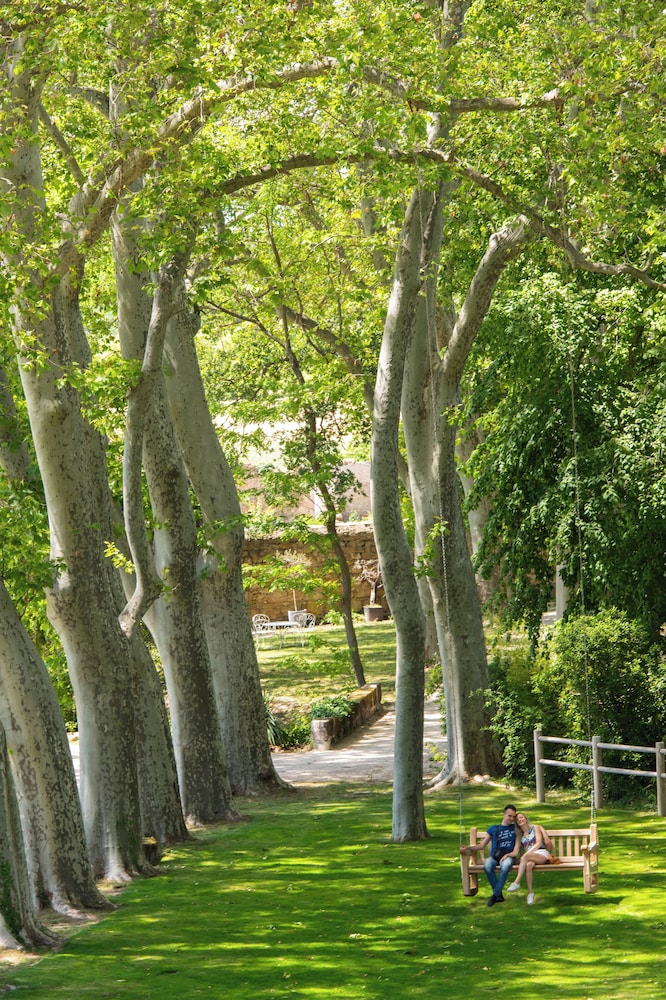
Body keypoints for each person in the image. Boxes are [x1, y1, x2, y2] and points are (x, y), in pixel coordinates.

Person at [460, 804, 519, 907]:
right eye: (509, 816)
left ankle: (495, 895)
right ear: (503, 815)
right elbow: (481, 846)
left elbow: (528, 827)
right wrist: (468, 848)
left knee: (505, 866)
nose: (512, 819)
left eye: (514, 817)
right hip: (495, 857)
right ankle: (498, 895)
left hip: (508, 856)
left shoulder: (515, 828)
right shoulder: (493, 829)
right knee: (487, 865)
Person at [506, 811, 553, 905]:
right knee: (528, 865)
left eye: (521, 817)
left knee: (525, 858)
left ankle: (517, 882)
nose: (520, 820)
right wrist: (507, 855)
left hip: (541, 853)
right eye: (518, 819)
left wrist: (527, 854)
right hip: (530, 857)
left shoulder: (535, 828)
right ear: (517, 823)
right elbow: (516, 851)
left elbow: (539, 843)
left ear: (526, 819)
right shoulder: (520, 836)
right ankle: (530, 894)